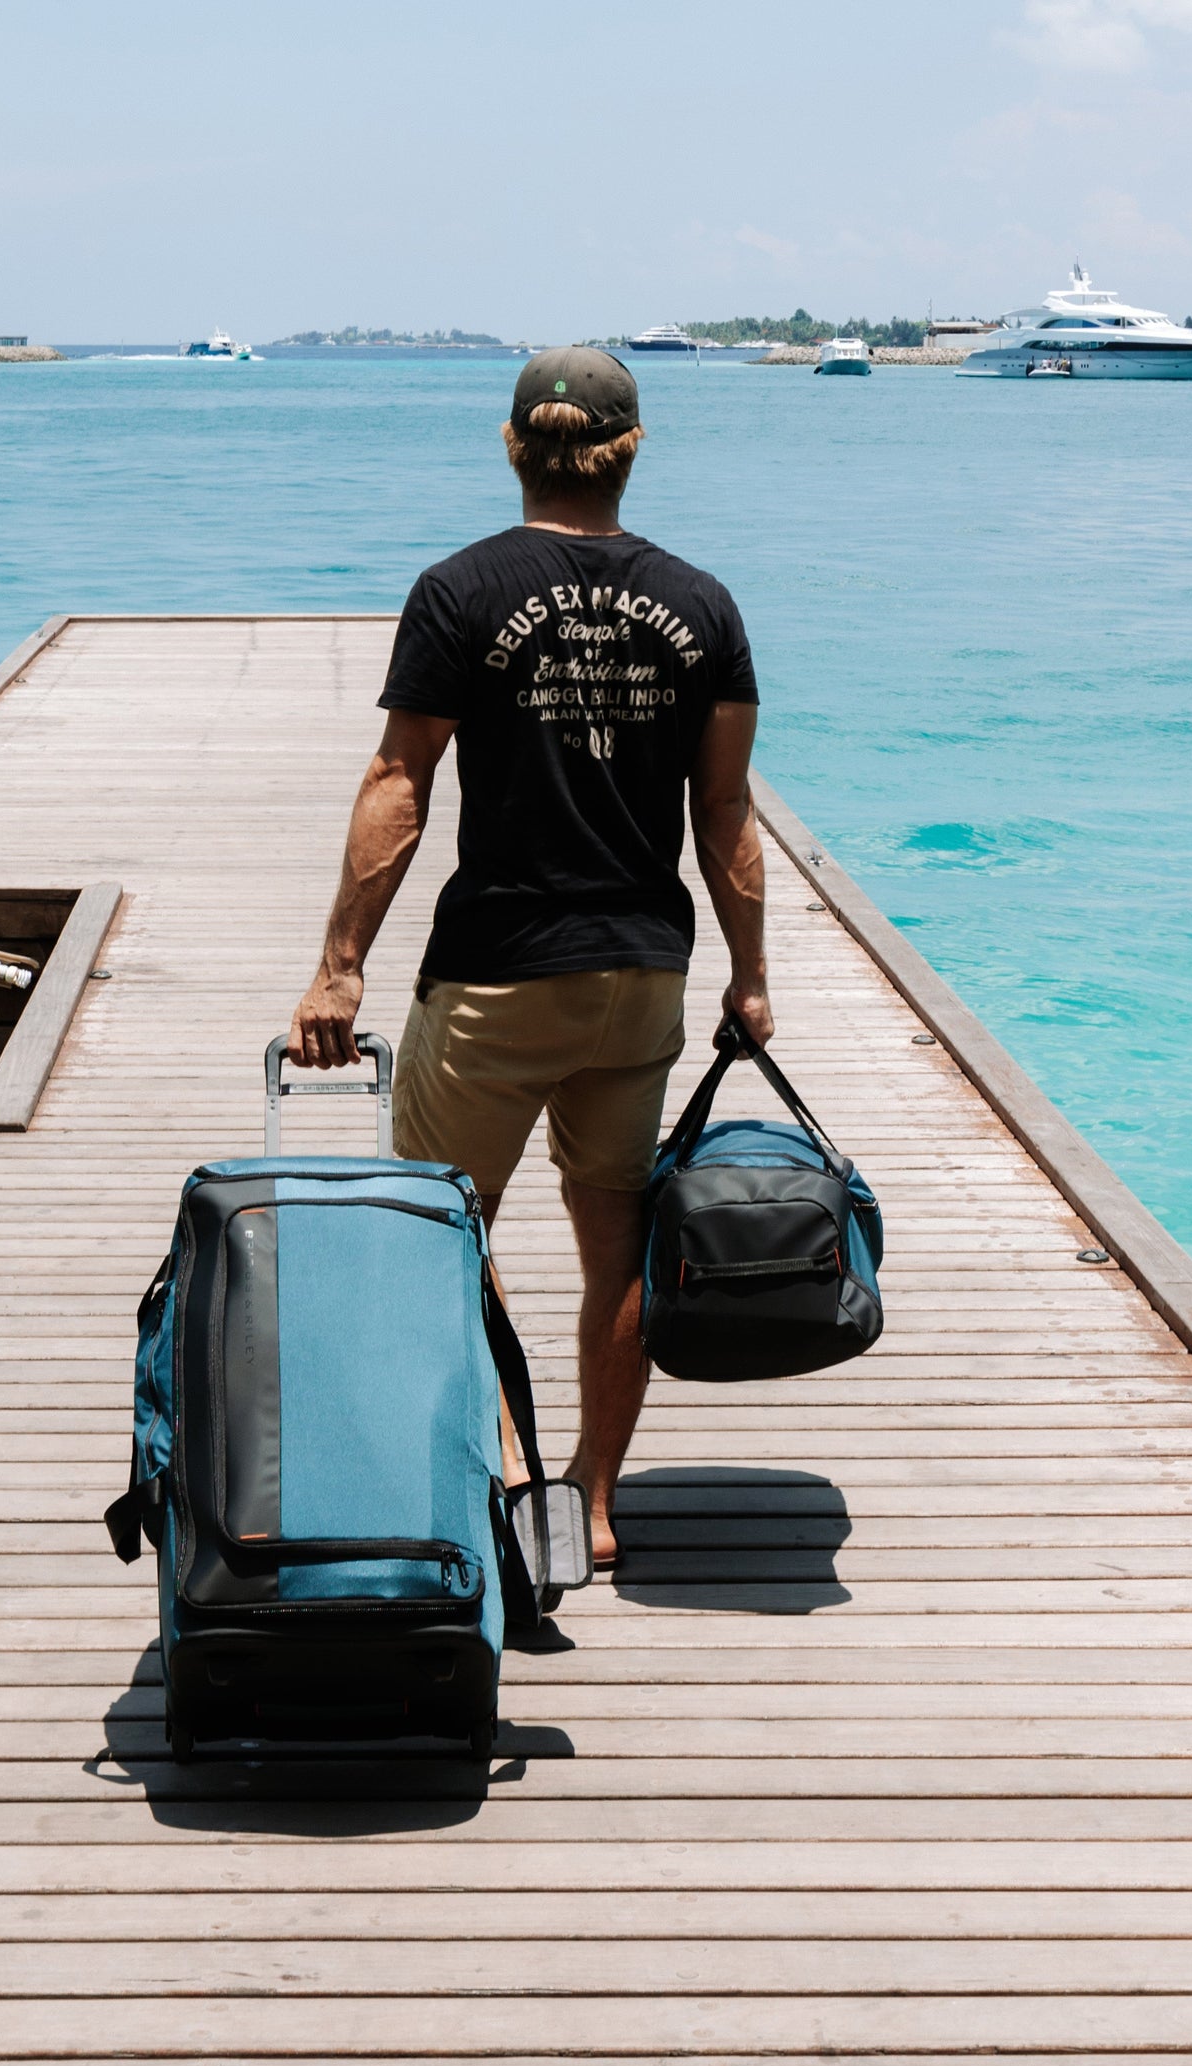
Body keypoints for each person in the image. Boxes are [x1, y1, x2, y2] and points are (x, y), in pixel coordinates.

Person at [287, 346, 770, 1567]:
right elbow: (726, 815)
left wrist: (341, 964)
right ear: (632, 447)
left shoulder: (460, 590)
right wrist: (749, 976)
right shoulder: (704, 605)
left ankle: (503, 1479)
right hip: (639, 976)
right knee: (615, 1238)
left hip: (499, 971)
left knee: (443, 1233)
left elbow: (400, 783)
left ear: (514, 446)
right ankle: (594, 1507)